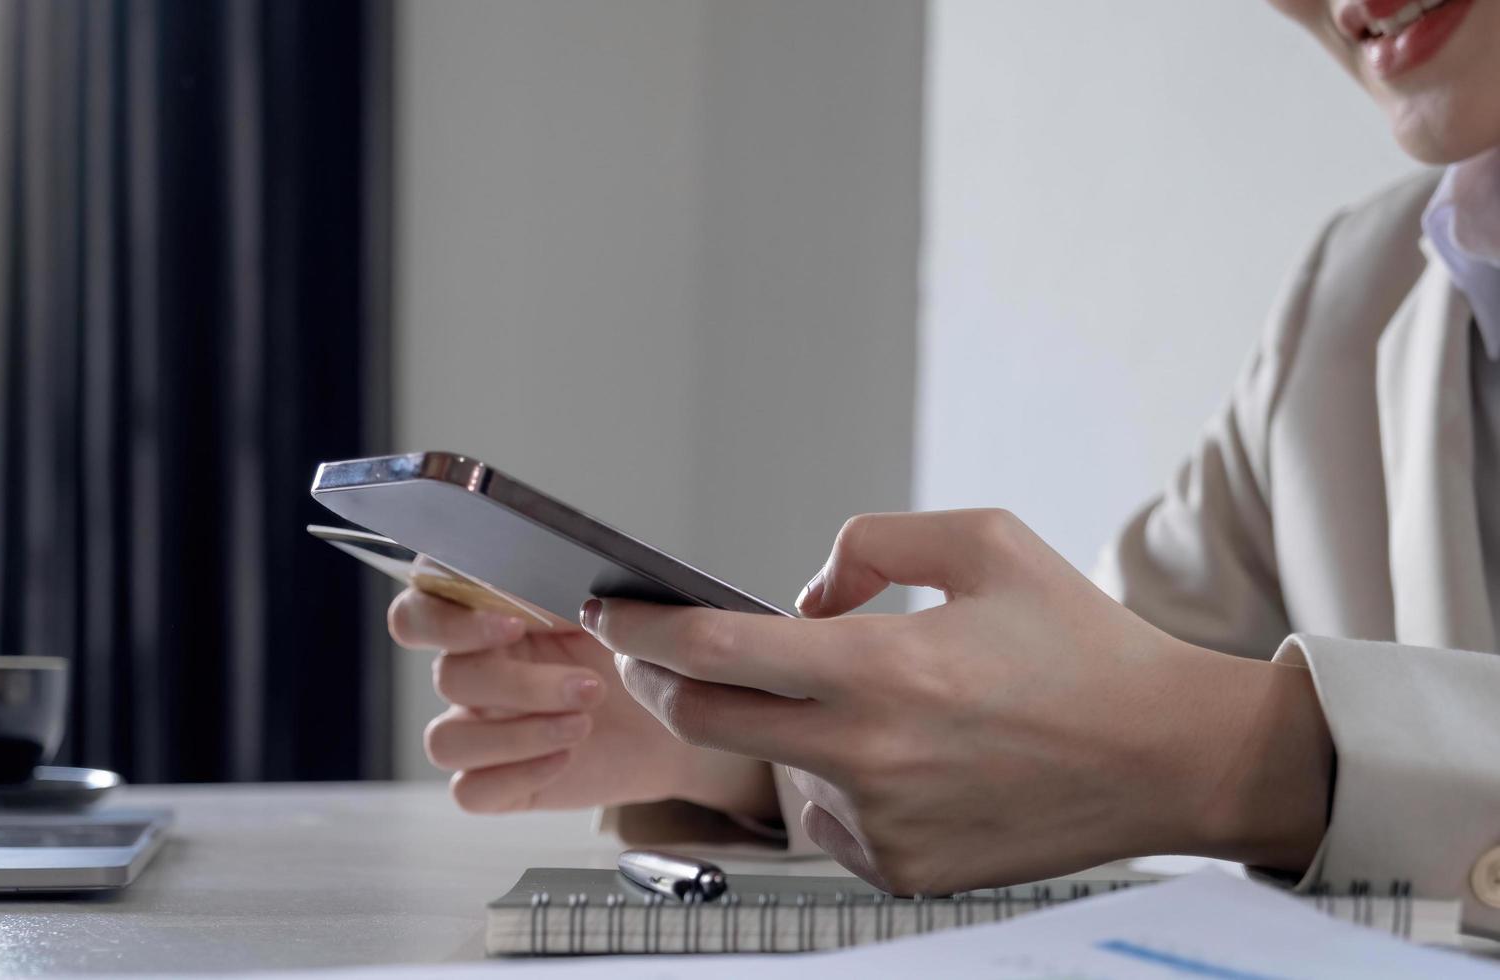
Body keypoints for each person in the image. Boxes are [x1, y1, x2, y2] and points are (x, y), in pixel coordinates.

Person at [388, 0, 1500, 935]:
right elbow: (1072, 703)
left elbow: (1159, 727)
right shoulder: (1354, 301)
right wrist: (736, 730)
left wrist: (1251, 761)